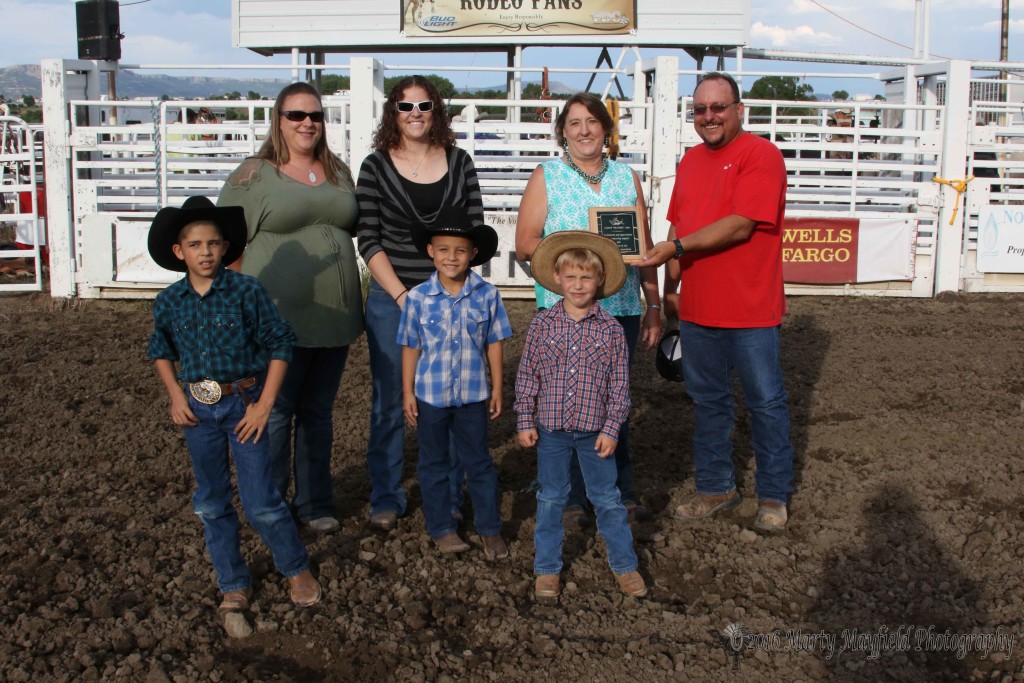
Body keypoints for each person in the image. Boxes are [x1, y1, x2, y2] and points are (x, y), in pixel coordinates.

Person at [146, 195, 321, 610]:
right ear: (179, 251)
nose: (204, 252)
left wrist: (264, 405)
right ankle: (232, 582)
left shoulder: (246, 291)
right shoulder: (169, 301)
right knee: (210, 501)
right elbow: (160, 349)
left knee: (261, 501)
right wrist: (175, 396)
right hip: (197, 411)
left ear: (225, 247)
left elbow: (281, 343)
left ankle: (296, 567)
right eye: (194, 245)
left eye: (212, 243)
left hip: (244, 405)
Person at [639, 72, 794, 532]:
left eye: (718, 107)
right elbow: (676, 223)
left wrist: (677, 252)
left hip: (749, 306)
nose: (709, 116)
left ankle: (773, 494)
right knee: (708, 401)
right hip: (700, 307)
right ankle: (715, 486)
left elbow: (741, 224)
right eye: (701, 109)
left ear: (738, 110)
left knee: (765, 402)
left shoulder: (760, 155)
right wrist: (671, 286)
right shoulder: (690, 161)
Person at [218, 82, 363, 535]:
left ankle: (314, 501)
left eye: (315, 116)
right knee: (275, 409)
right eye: (297, 115)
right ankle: (270, 503)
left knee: (318, 412)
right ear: (279, 120)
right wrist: (242, 306)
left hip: (334, 317)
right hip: (276, 317)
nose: (307, 124)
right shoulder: (256, 174)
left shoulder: (338, 170)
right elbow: (227, 243)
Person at [515, 92, 661, 527]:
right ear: (563, 130)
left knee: (613, 400)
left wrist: (653, 304)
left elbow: (644, 249)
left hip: (618, 308)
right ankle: (573, 498)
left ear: (605, 128)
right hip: (565, 309)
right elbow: (524, 241)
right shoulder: (548, 176)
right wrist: (575, 255)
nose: (583, 130)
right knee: (564, 402)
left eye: (592, 122)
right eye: (574, 122)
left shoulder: (626, 176)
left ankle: (619, 490)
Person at [356, 75, 484, 532]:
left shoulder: (460, 162)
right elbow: (368, 238)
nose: (415, 114)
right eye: (406, 106)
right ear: (393, 112)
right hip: (395, 298)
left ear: (437, 112)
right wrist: (404, 295)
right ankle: (386, 495)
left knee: (447, 397)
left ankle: (448, 495)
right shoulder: (374, 166)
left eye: (424, 105)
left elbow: (473, 234)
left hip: (450, 297)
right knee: (391, 398)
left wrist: (449, 294)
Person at [515, 230, 648, 600]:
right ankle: (547, 569)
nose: (578, 285)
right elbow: (528, 375)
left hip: (595, 433)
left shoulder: (610, 331)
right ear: (556, 278)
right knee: (551, 497)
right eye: (570, 277)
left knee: (608, 498)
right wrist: (525, 419)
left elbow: (620, 386)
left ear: (600, 279)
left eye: (586, 277)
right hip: (552, 431)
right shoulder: (542, 325)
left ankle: (625, 565)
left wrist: (612, 428)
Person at [396, 208, 511, 558]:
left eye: (460, 250)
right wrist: (407, 393)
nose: (452, 257)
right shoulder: (417, 299)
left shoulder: (487, 295)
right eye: (444, 249)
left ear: (473, 254)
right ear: (431, 250)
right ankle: (442, 525)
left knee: (478, 461)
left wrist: (497, 387)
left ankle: (489, 528)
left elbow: (494, 341)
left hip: (474, 395)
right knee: (433, 462)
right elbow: (410, 347)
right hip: (430, 396)